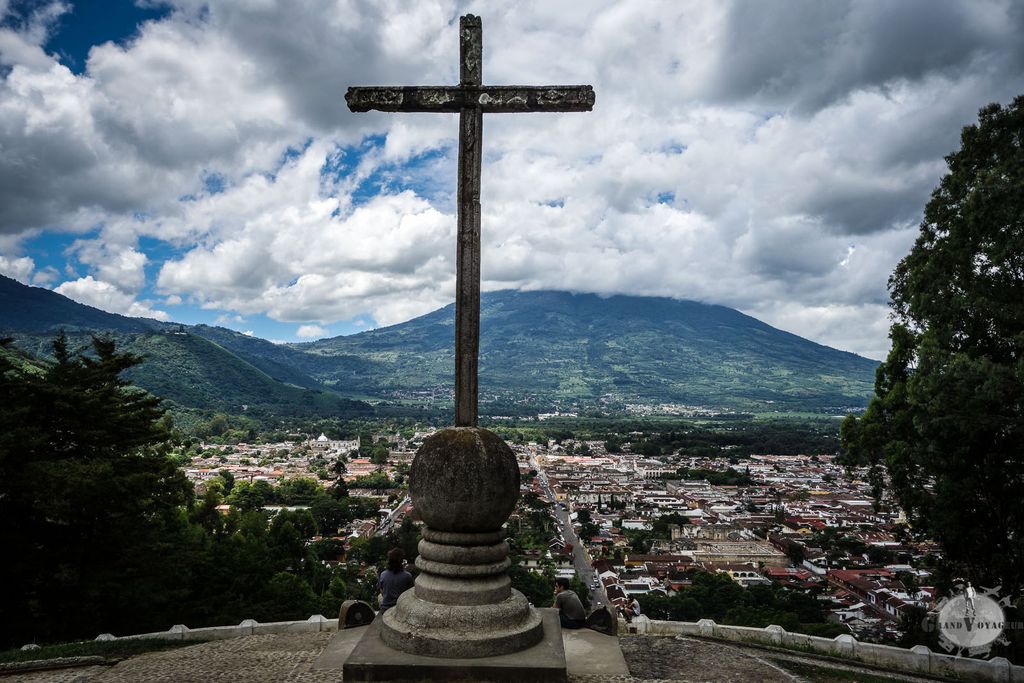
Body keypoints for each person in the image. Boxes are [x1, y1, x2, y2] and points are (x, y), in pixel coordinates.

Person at [377, 548, 414, 613]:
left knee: (379, 596)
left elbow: (382, 591)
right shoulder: (407, 576)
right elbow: (411, 594)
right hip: (400, 609)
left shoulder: (383, 574)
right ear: (401, 561)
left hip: (385, 609)